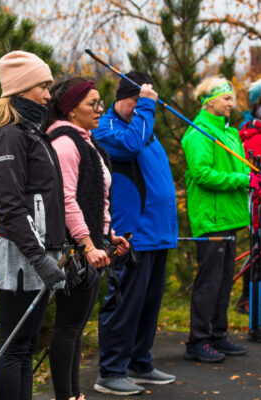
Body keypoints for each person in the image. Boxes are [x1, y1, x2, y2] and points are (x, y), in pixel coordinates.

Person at [0, 50, 66, 400]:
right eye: (42, 87)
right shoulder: (11, 136)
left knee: (26, 347)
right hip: (20, 256)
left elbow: (48, 198)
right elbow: (11, 207)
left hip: (37, 252)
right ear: (21, 88)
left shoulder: (33, 133)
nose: (48, 95)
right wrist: (40, 257)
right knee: (14, 348)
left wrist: (60, 249)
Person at [91, 71, 178, 395]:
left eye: (140, 102)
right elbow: (130, 145)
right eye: (133, 102)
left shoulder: (145, 128)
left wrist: (143, 110)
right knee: (125, 303)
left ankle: (139, 362)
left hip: (158, 232)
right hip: (131, 235)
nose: (137, 108)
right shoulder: (108, 127)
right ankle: (110, 370)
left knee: (148, 305)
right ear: (122, 98)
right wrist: (146, 106)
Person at [44, 77, 130, 400]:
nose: (99, 109)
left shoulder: (87, 141)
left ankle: (74, 394)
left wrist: (109, 236)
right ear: (70, 109)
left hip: (91, 246)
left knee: (76, 326)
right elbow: (66, 200)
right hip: (75, 250)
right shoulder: (65, 143)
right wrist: (88, 244)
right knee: (68, 326)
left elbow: (97, 198)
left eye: (100, 103)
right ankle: (66, 396)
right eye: (92, 104)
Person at [182, 76, 255, 362]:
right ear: (209, 100)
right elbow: (202, 174)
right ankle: (197, 340)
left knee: (225, 280)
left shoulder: (229, 134)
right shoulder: (199, 134)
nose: (231, 103)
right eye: (226, 98)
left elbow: (240, 168)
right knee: (209, 281)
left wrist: (252, 178)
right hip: (211, 219)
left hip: (230, 216)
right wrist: (243, 179)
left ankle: (217, 334)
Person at [239, 80, 261, 343]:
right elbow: (257, 182)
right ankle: (254, 315)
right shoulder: (256, 140)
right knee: (259, 266)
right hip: (259, 216)